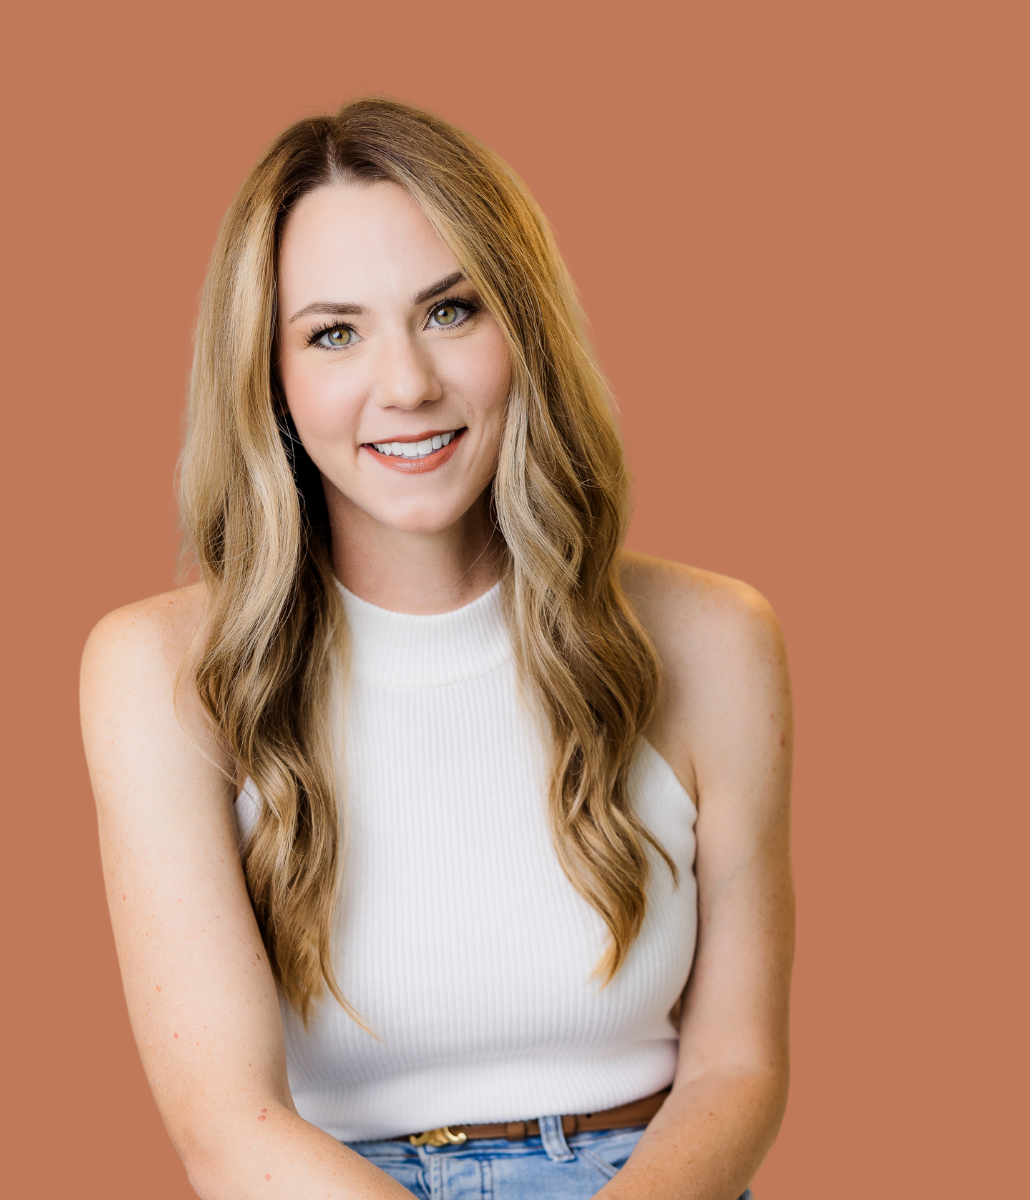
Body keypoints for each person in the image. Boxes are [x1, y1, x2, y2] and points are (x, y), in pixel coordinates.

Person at [80, 98, 793, 1200]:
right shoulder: (158, 672)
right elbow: (228, 1125)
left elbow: (739, 1068)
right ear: (268, 378)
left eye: (451, 311)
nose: (406, 384)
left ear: (525, 329)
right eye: (333, 332)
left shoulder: (714, 640)